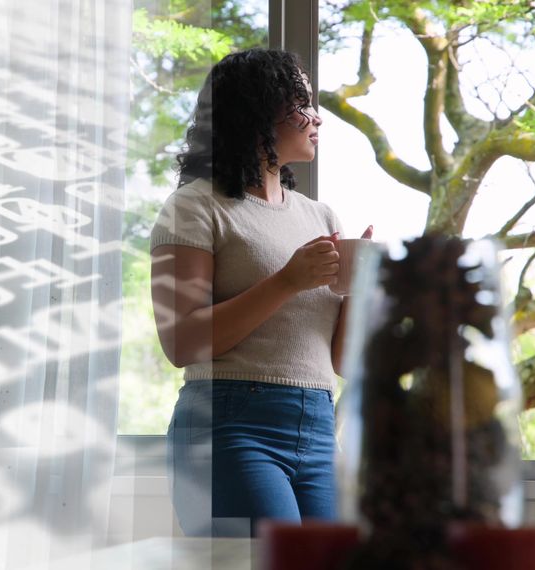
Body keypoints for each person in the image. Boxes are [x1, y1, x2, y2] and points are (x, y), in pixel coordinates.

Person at [149, 48, 372, 538]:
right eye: (303, 104)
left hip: (317, 425)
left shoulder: (321, 217)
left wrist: (359, 288)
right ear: (258, 111)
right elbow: (181, 343)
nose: (318, 119)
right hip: (227, 425)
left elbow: (341, 361)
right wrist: (288, 281)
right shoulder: (191, 208)